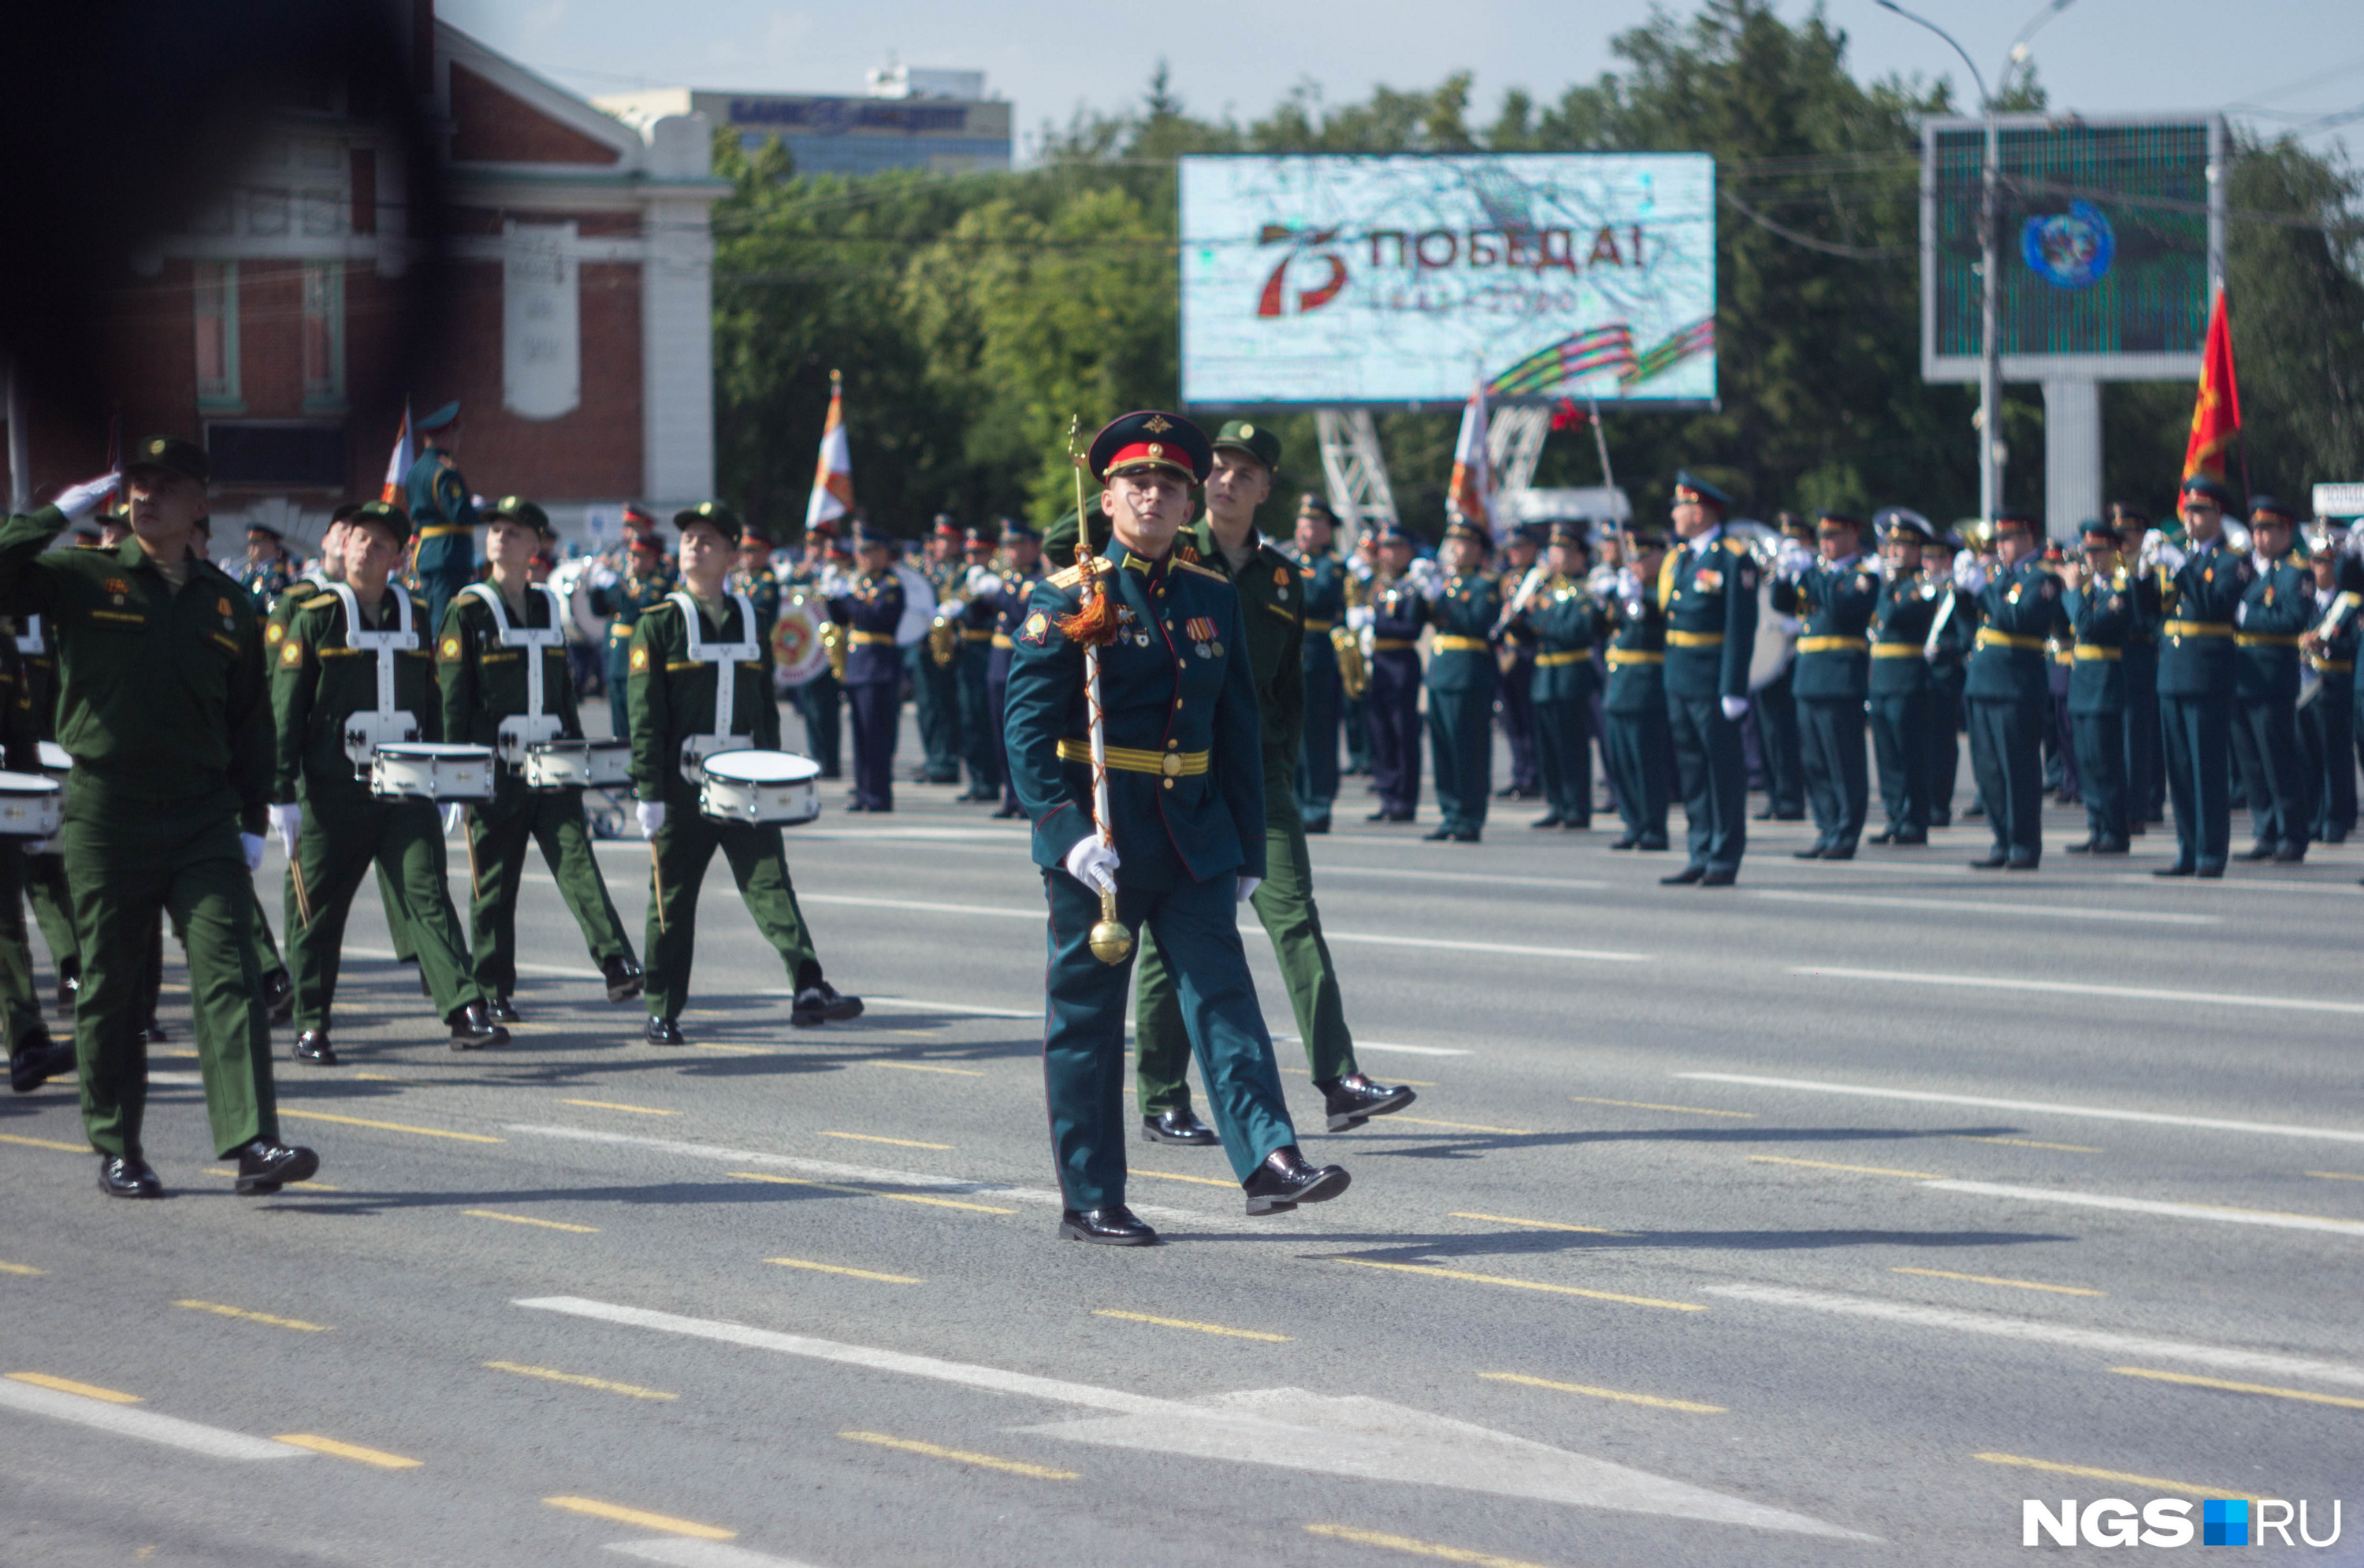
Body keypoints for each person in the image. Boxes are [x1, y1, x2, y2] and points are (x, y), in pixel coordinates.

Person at [1004, 410, 1348, 1245]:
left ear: (1188, 500)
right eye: (1135, 483)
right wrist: (1065, 832)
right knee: (1086, 1018)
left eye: (1168, 484)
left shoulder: (1210, 599)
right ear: (1108, 496)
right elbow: (1025, 731)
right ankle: (1091, 1195)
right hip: (1104, 843)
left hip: (1193, 834)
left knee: (1225, 998)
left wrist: (1242, 844)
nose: (1152, 496)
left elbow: (1236, 728)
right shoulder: (1069, 596)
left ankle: (1269, 1160)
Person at [0, 437, 315, 1197]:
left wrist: (250, 816)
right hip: (110, 807)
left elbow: (250, 723)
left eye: (164, 486)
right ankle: (118, 1146)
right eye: (136, 484)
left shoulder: (226, 602)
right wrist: (53, 511)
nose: (145, 497)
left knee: (230, 972)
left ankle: (252, 1143)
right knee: (110, 980)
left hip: (203, 811)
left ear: (200, 505)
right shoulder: (84, 575)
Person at [1131, 419, 1412, 1150]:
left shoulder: (1285, 578)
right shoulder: (1169, 552)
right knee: (1173, 942)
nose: (1226, 481)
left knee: (1294, 917)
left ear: (1265, 488)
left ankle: (1338, 1080)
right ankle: (1162, 1096)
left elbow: (1287, 690)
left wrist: (1276, 770)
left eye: (1242, 472)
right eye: (1216, 469)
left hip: (1257, 777)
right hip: (1183, 774)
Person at [272, 500, 505, 1063]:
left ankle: (465, 1008)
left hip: (404, 790)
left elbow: (431, 699)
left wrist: (449, 774)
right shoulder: (316, 615)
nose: (365, 549)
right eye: (358, 538)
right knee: (317, 911)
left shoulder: (417, 614)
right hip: (332, 793)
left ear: (400, 558)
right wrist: (281, 792)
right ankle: (311, 1023)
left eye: (380, 543)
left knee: (427, 895)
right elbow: (286, 708)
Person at [630, 502, 863, 1042]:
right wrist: (649, 791)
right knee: (672, 898)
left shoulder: (750, 618)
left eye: (709, 539)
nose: (694, 546)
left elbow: (764, 707)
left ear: (732, 555)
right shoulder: (659, 623)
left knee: (771, 883)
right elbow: (646, 716)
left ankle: (807, 984)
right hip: (684, 786)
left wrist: (779, 773)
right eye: (689, 537)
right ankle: (662, 1006)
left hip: (743, 780)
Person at [438, 497, 644, 1020]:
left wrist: (577, 754)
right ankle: (491, 988)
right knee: (495, 886)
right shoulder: (468, 609)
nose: (501, 538)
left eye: (514, 531)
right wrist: (456, 774)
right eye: (496, 531)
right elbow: (453, 698)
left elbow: (562, 689)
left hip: (552, 762)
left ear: (536, 545)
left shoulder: (547, 606)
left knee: (578, 862)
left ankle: (617, 961)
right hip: (495, 771)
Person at [1659, 471, 1757, 886]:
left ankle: (1724, 855)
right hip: (1680, 678)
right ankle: (1699, 850)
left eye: (1680, 506)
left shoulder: (1733, 557)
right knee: (1692, 772)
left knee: (1722, 772)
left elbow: (1740, 628)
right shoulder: (1681, 557)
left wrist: (1733, 688)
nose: (1674, 513)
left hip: (1712, 681)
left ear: (1698, 511)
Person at [1957, 510, 2066, 871]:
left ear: (2026, 539)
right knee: (1988, 770)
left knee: (2017, 769)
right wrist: (1962, 591)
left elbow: (2016, 619)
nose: (1999, 548)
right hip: (1984, 682)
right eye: (1998, 541)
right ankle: (2001, 839)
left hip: (2015, 685)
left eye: (2005, 540)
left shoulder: (2042, 580)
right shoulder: (1997, 577)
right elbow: (1971, 623)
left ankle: (2023, 844)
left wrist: (1981, 590)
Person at [2152, 475, 2250, 878]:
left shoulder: (2232, 561)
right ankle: (2187, 849)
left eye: (2199, 511)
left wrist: (2180, 568)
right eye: (2188, 510)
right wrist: (2146, 574)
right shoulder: (2183, 559)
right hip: (2173, 673)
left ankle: (2211, 853)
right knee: (2179, 769)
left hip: (2207, 672)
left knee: (2207, 768)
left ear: (2217, 514)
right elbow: (2149, 614)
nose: (2190, 518)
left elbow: (2213, 605)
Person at [1775, 511, 1878, 859]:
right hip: (1808, 680)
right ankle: (1826, 828)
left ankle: (1846, 833)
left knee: (1843, 762)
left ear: (1852, 535)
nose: (1825, 543)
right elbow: (1781, 604)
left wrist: (1806, 573)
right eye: (1822, 536)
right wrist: (1782, 575)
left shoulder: (1862, 577)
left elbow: (1838, 605)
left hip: (1840, 681)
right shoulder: (1818, 576)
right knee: (1815, 763)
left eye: (1833, 536)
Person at [2229, 497, 2314, 864]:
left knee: (2278, 759)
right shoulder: (2249, 569)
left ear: (2287, 531)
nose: (2260, 537)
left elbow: (2291, 619)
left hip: (2272, 676)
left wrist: (2248, 615)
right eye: (2256, 529)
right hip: (2242, 676)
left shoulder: (2297, 573)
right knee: (2251, 763)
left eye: (2268, 530)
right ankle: (2265, 831)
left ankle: (2292, 834)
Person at [1864, 511, 1945, 845]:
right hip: (1882, 679)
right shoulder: (1890, 585)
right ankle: (1895, 816)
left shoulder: (1920, 585)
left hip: (1908, 679)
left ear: (1916, 550)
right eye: (1890, 545)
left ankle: (1915, 820)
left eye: (1902, 546)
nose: (1893, 552)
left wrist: (1884, 585)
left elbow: (1895, 614)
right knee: (1886, 756)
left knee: (1910, 754)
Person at [1515, 522, 1601, 830]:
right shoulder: (1546, 588)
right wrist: (1517, 616)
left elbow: (1573, 632)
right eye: (1553, 550)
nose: (1556, 556)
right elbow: (1527, 634)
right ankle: (1556, 803)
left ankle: (1577, 806)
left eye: (1563, 550)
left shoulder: (1585, 590)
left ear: (1579, 555)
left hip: (1570, 673)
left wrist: (1535, 616)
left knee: (1571, 746)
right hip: (1544, 675)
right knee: (1548, 745)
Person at [1420, 519, 1501, 843]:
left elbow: (1476, 623)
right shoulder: (1448, 583)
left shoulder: (1485, 585)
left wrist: (1444, 597)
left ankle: (1469, 816)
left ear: (1479, 549)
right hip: (1441, 673)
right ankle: (1450, 813)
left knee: (1468, 749)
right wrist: (1425, 595)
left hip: (1469, 673)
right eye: (1453, 542)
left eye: (1464, 543)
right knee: (1443, 749)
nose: (1456, 549)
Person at [2059, 517, 2135, 855]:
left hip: (2104, 680)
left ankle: (2115, 830)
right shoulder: (2088, 590)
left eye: (2098, 550)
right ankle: (2097, 825)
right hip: (2083, 682)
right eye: (2087, 550)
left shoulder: (2120, 590)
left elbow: (2088, 628)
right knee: (2086, 761)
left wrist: (2074, 591)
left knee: (2105, 761)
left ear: (2114, 550)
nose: (2091, 557)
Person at [829, 524, 905, 814]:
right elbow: (841, 618)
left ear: (884, 554)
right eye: (861, 551)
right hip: (858, 666)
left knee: (877, 735)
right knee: (860, 735)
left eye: (870, 551)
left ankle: (878, 795)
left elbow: (872, 618)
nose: (863, 557)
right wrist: (833, 597)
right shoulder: (862, 583)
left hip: (878, 666)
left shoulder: (890, 586)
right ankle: (863, 791)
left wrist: (847, 598)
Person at [1288, 496, 1347, 834]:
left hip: (1318, 658)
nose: (1303, 530)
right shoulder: (1293, 559)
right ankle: (1295, 802)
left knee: (1318, 735)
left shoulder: (1332, 565)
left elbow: (1314, 596)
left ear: (1327, 530)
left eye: (1311, 525)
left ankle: (1318, 804)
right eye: (1301, 524)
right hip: (1290, 654)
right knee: (1292, 734)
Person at [1358, 524, 1423, 823]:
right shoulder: (1376, 584)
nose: (1388, 554)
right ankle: (1387, 795)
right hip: (1378, 661)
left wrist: (1374, 623)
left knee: (1402, 731)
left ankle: (1404, 799)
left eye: (1396, 548)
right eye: (1385, 548)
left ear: (1409, 552)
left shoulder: (1414, 586)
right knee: (1380, 732)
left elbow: (1413, 628)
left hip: (1401, 661)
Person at [592, 511, 676, 742]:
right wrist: (597, 586)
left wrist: (612, 587)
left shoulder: (658, 580)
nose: (634, 559)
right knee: (619, 728)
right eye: (633, 555)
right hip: (616, 656)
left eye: (640, 555)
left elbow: (634, 611)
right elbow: (600, 611)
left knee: (641, 724)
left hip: (640, 655)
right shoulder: (626, 576)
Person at [980, 519, 1045, 819]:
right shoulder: (1010, 580)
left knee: (1019, 735)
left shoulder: (1036, 582)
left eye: (1017, 545)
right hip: (997, 662)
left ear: (1034, 547)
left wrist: (1000, 593)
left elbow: (1024, 615)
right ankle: (1009, 796)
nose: (1011, 551)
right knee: (998, 732)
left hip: (1017, 662)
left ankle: (1023, 799)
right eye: (1007, 545)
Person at [1750, 511, 1809, 824]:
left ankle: (1790, 798)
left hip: (1792, 662)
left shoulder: (1807, 572)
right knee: (1766, 733)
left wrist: (1798, 625)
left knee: (1785, 735)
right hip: (1769, 663)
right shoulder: (1780, 574)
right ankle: (1775, 796)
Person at [2109, 503, 2165, 835]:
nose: (2122, 542)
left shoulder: (2151, 567)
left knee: (2139, 736)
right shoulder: (2114, 567)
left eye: (2127, 535)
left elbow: (2149, 612)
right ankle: (2130, 802)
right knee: (2121, 735)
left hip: (2141, 652)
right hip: (2116, 655)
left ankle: (2143, 805)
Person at [2299, 526, 2357, 844]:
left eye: (2325, 562)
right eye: (2316, 561)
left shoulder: (2348, 604)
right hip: (2307, 686)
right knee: (2308, 755)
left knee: (2335, 755)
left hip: (2335, 684)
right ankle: (2314, 816)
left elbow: (2352, 644)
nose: (2319, 568)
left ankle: (2336, 818)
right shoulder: (2307, 602)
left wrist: (2326, 645)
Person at [401, 402, 477, 637]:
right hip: (450, 554)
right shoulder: (445, 471)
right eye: (457, 432)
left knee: (432, 615)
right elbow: (460, 513)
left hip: (427, 553)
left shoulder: (415, 470)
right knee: (448, 621)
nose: (458, 439)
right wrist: (489, 512)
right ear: (447, 434)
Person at [786, 526, 846, 778]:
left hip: (828, 649)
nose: (815, 551)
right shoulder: (803, 574)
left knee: (826, 709)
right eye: (811, 546)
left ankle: (830, 761)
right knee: (809, 709)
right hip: (807, 650)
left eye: (819, 546)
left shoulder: (835, 573)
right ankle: (817, 757)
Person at [909, 517, 965, 785]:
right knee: (927, 706)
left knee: (947, 706)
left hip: (949, 647)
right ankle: (933, 757)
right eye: (940, 539)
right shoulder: (923, 569)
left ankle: (947, 760)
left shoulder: (962, 571)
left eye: (949, 540)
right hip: (924, 645)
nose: (943, 545)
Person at [950, 523, 1003, 802]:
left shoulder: (997, 579)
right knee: (968, 717)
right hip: (966, 650)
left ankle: (991, 781)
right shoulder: (962, 577)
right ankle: (976, 778)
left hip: (988, 649)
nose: (973, 558)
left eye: (979, 552)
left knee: (986, 717)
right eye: (969, 552)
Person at [1492, 521, 1544, 802]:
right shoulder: (1507, 579)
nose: (1513, 553)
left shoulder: (1540, 578)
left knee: (1529, 717)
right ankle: (1520, 773)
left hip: (1528, 652)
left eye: (1519, 548)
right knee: (1511, 719)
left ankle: (1534, 774)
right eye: (1511, 548)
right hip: (1509, 654)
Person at [242, 522, 293, 605]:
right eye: (250, 544)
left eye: (255, 544)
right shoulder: (252, 572)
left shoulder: (277, 573)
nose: (251, 549)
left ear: (270, 545)